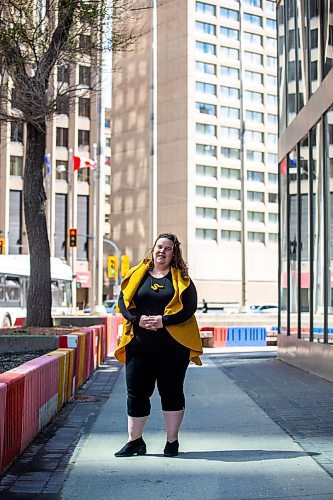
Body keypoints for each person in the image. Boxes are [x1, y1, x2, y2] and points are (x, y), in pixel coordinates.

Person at [114, 233, 203, 458]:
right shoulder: (137, 274)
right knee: (136, 393)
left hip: (173, 348)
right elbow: (123, 303)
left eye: (168, 249)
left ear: (174, 254)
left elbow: (189, 308)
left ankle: (171, 442)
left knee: (171, 392)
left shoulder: (181, 279)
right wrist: (137, 319)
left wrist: (164, 321)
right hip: (139, 346)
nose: (162, 251)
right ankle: (135, 442)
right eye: (159, 247)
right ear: (153, 249)